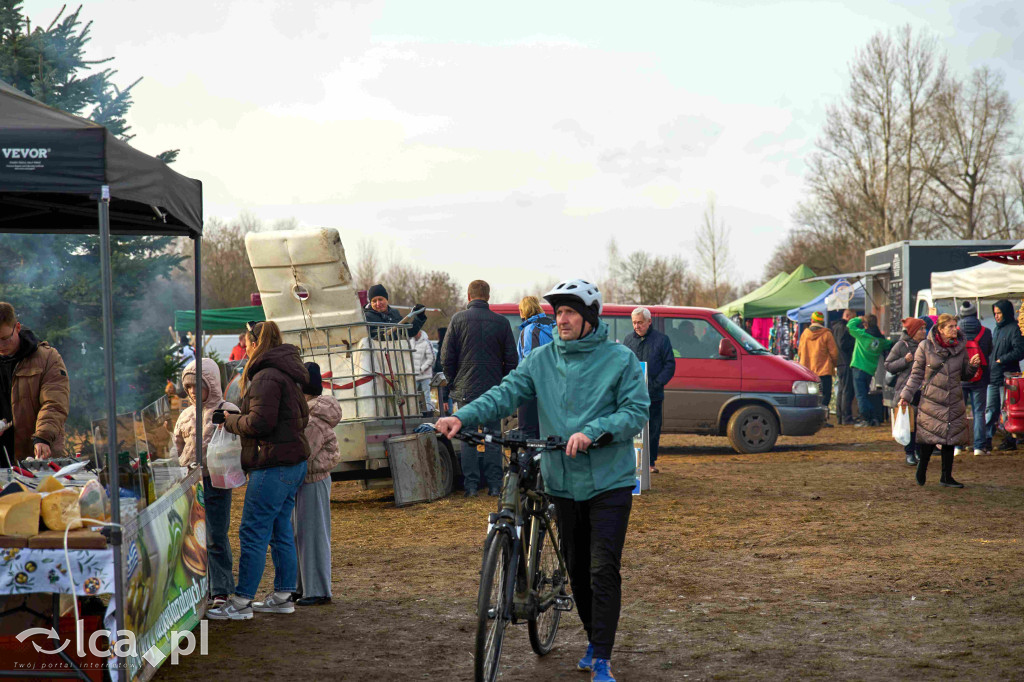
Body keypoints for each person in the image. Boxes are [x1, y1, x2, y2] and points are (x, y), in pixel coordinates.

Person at [435, 278, 649, 682]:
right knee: (577, 569)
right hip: (562, 481)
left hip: (609, 482)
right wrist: (461, 416)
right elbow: (504, 394)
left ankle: (602, 656)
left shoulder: (619, 359)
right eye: (558, 312)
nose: (561, 320)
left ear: (589, 318)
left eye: (569, 313)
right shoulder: (540, 359)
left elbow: (635, 410)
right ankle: (593, 638)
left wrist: (594, 432)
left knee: (602, 568)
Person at [207, 320, 311, 620]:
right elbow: (290, 417)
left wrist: (230, 421)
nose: (245, 348)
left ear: (255, 344)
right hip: (292, 462)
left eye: (247, 343)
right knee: (280, 529)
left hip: (273, 465)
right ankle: (283, 596)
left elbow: (260, 423)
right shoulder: (286, 372)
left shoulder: (266, 376)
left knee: (252, 531)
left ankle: (241, 602)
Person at [440, 280, 517, 497]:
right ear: (488, 297)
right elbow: (512, 359)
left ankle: (471, 486)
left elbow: (446, 358)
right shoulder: (502, 323)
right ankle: (494, 485)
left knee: (468, 438)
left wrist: (453, 382)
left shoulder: (457, 320)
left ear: (468, 296)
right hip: (493, 390)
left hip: (465, 390)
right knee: (493, 438)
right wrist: (503, 383)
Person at [173, 358, 239, 606]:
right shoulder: (185, 415)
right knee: (192, 538)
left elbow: (238, 442)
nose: (192, 391)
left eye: (197, 385)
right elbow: (177, 447)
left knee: (215, 536)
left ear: (211, 383)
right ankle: (199, 588)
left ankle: (220, 589)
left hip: (216, 482)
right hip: (190, 484)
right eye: (188, 386)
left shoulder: (227, 409)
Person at [899, 314, 981, 488]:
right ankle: (922, 467)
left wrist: (972, 366)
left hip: (953, 399)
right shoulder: (925, 346)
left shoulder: (960, 347)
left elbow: (964, 375)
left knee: (950, 438)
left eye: (955, 326)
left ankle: (946, 477)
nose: (954, 329)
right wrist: (905, 396)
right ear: (940, 329)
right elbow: (916, 375)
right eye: (950, 326)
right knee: (930, 437)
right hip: (932, 399)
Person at [293, 362, 342, 607]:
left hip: (313, 480)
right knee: (302, 534)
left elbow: (304, 452)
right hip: (308, 481)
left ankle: (318, 590)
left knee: (312, 535)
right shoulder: (311, 414)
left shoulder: (312, 420)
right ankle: (303, 587)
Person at [0, 302, 69, 464]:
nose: (1, 346)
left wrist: (43, 437)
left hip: (36, 455)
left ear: (17, 328)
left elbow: (54, 403)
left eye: (5, 339)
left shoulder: (47, 358)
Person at [623, 307, 675, 473]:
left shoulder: (662, 340)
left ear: (649, 322)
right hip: (632, 395)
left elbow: (669, 365)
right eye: (634, 323)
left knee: (653, 429)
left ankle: (650, 463)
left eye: (640, 322)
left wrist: (655, 384)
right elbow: (623, 363)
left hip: (654, 394)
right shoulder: (628, 340)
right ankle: (632, 462)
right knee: (631, 428)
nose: (636, 326)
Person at [884, 318, 929, 466]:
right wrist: (905, 360)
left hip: (925, 388)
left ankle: (919, 451)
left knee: (922, 423)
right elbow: (888, 365)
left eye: (924, 328)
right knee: (910, 422)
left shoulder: (927, 345)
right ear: (913, 331)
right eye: (921, 329)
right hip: (907, 389)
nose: (924, 331)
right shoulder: (901, 346)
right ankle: (910, 452)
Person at [986, 300, 1024, 452]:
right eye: (995, 313)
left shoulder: (1014, 329)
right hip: (993, 376)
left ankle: (1009, 440)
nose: (996, 316)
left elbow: (1020, 351)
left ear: (1006, 313)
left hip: (1006, 377)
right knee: (990, 409)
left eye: (999, 313)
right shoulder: (997, 329)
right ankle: (986, 440)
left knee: (1005, 410)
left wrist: (1002, 360)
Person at [956, 301, 992, 456]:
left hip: (960, 378)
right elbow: (989, 351)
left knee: (959, 412)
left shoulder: (955, 332)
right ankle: (979, 447)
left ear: (961, 315)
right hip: (980, 377)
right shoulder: (986, 332)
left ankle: (957, 446)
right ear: (975, 314)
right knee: (979, 412)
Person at [515, 296, 554, 438]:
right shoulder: (554, 326)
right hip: (553, 391)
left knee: (527, 435)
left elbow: (529, 362)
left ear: (523, 311)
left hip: (532, 391)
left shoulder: (529, 330)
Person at [847, 314, 892, 427]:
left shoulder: (862, 335)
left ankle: (867, 419)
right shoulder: (880, 340)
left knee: (860, 396)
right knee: (864, 395)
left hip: (858, 368)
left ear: (866, 324)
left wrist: (859, 318)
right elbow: (889, 344)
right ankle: (873, 418)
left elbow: (850, 325)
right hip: (870, 371)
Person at [797, 311, 839, 427]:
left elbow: (799, 352)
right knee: (825, 395)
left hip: (808, 372)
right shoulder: (827, 334)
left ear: (812, 320)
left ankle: (809, 419)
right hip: (824, 371)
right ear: (822, 321)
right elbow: (834, 353)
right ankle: (822, 420)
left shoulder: (805, 334)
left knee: (811, 396)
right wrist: (835, 365)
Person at [363, 283, 427, 340]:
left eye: (380, 299)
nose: (378, 303)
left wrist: (419, 317)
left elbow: (410, 332)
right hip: (376, 349)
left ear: (386, 299)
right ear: (370, 303)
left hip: (393, 348)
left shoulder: (394, 314)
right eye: (374, 301)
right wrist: (377, 339)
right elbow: (363, 338)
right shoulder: (366, 317)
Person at [831, 309, 858, 425]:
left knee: (841, 390)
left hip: (840, 362)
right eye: (853, 318)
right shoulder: (843, 328)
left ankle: (840, 416)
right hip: (846, 361)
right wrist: (855, 341)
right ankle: (846, 417)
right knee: (847, 390)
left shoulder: (836, 327)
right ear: (847, 316)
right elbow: (843, 344)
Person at [411, 330, 436, 412]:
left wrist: (422, 369)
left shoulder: (427, 343)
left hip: (425, 375)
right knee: (412, 395)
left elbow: (431, 358)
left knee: (426, 395)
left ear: (420, 333)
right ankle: (415, 412)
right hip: (414, 375)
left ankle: (428, 412)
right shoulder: (411, 342)